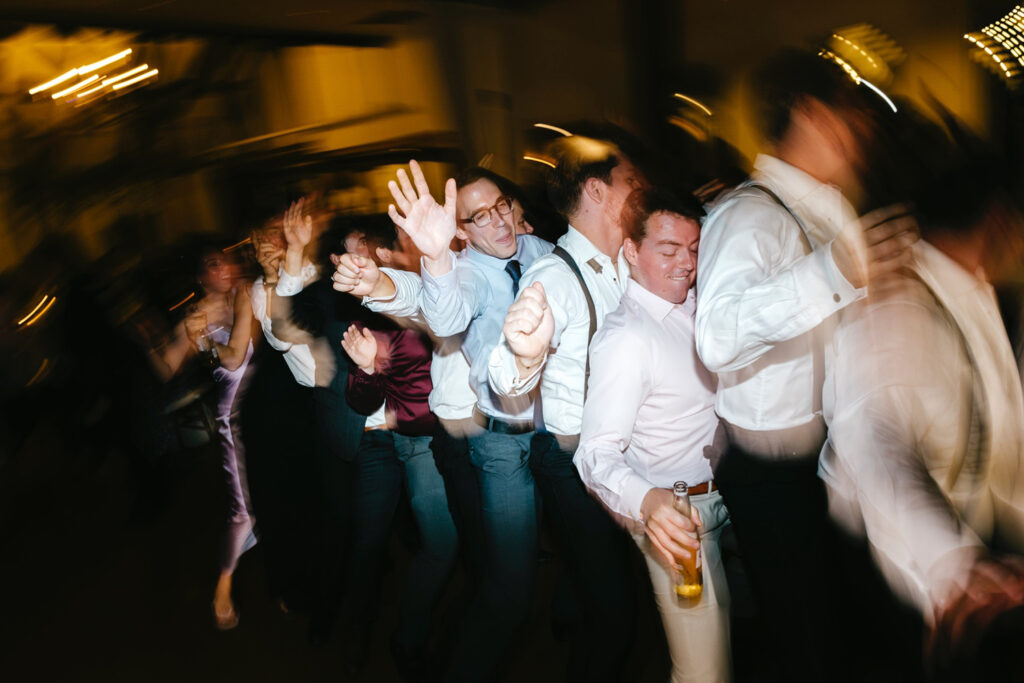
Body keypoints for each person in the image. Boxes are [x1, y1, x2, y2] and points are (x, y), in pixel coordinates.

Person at [692, 50, 917, 680]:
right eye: (852, 119)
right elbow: (716, 338)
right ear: (813, 117)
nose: (863, 137)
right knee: (804, 638)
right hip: (772, 475)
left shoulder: (833, 209)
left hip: (833, 461)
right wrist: (832, 273)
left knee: (837, 627)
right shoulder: (748, 215)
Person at [821, 108, 1024, 677]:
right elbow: (874, 439)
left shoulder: (977, 291)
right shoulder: (900, 305)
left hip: (972, 542)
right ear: (998, 217)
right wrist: (950, 563)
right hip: (902, 567)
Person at [360, 160, 551, 680]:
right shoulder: (454, 269)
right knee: (481, 567)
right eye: (480, 215)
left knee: (500, 566)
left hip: (525, 432)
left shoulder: (526, 252)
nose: (500, 220)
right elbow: (430, 305)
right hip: (460, 438)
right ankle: (437, 652)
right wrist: (384, 280)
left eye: (502, 207)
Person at [487, 136, 645, 682]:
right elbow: (503, 380)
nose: (639, 189)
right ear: (599, 190)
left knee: (600, 586)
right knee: (615, 617)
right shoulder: (553, 278)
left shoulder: (626, 257)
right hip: (573, 461)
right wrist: (522, 357)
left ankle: (571, 610)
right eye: (630, 181)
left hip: (620, 453)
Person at [575, 188, 731, 682]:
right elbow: (594, 454)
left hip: (730, 499)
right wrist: (649, 503)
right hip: (681, 523)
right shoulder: (627, 339)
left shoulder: (696, 304)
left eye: (694, 248)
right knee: (703, 673)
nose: (686, 263)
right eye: (668, 250)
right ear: (631, 251)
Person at [162, 244, 256, 629]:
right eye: (213, 264)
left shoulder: (245, 294)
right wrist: (180, 336)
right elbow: (168, 364)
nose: (225, 268)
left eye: (227, 260)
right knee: (243, 506)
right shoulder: (197, 313)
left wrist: (204, 342)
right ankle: (224, 584)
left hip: (264, 409)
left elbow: (241, 353)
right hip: (232, 419)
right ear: (202, 276)